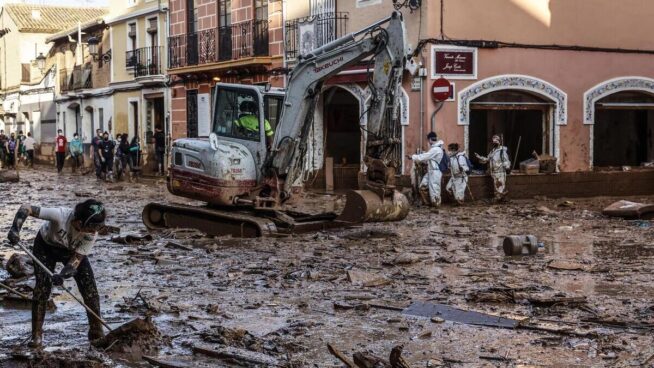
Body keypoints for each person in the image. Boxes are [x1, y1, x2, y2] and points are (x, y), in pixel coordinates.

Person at [6, 199, 107, 348]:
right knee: (42, 288)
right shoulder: (60, 215)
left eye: (97, 228)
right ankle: (37, 336)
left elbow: (76, 259)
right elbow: (26, 208)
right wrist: (15, 229)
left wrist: (63, 275)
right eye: (91, 227)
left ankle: (96, 332)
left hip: (71, 251)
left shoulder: (91, 235)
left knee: (89, 288)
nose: (94, 232)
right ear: (79, 222)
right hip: (45, 246)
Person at [409, 132, 445, 208]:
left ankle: (436, 205)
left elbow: (425, 156)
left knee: (435, 189)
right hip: (430, 171)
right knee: (422, 186)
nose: (428, 142)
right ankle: (428, 203)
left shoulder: (436, 149)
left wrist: (413, 157)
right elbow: (428, 158)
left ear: (430, 139)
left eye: (428, 140)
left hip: (435, 172)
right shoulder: (435, 148)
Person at [475, 135, 511, 202]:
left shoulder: (502, 151)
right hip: (494, 172)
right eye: (493, 141)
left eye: (496, 141)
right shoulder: (493, 151)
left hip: (500, 172)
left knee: (500, 186)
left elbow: (506, 161)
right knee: (496, 187)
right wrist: (479, 157)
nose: (494, 143)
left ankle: (500, 198)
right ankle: (500, 198)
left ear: (499, 141)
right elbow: (487, 159)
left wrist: (507, 167)